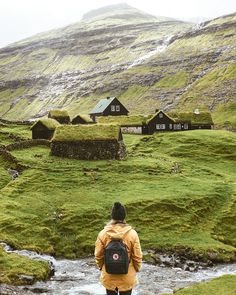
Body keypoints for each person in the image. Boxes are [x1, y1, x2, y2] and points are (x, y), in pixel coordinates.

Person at [95, 202, 142, 295]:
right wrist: (135, 270)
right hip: (127, 276)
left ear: (112, 216)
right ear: (124, 216)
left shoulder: (103, 234)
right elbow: (138, 256)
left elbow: (98, 256)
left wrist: (102, 268)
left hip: (109, 275)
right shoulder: (132, 234)